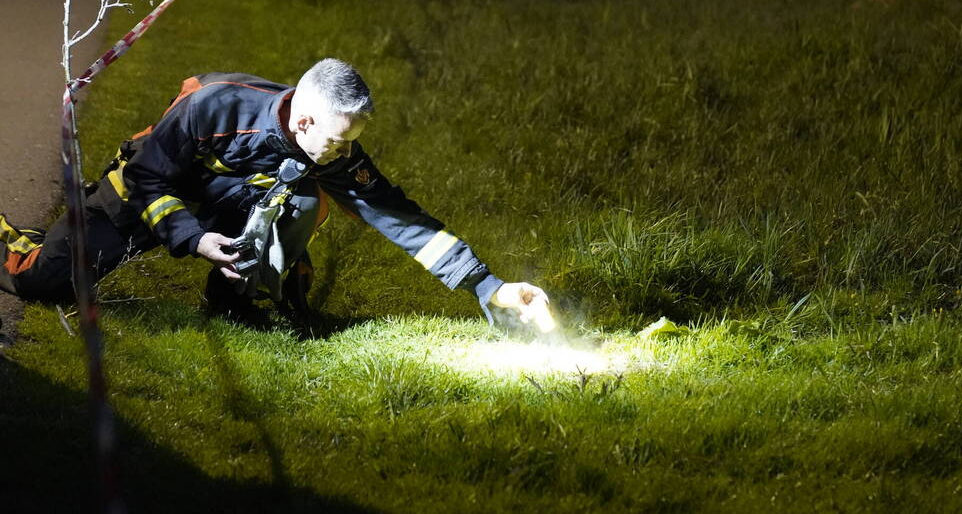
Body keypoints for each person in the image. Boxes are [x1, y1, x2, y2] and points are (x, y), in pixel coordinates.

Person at [0, 58, 553, 331]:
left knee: (310, 199)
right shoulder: (215, 105)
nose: (342, 154)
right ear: (305, 119)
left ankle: (234, 302)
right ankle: (18, 238)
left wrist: (488, 286)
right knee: (46, 285)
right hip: (146, 196)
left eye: (350, 145)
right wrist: (193, 240)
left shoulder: (327, 145)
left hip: (220, 208)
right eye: (337, 142)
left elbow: (394, 215)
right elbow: (149, 177)